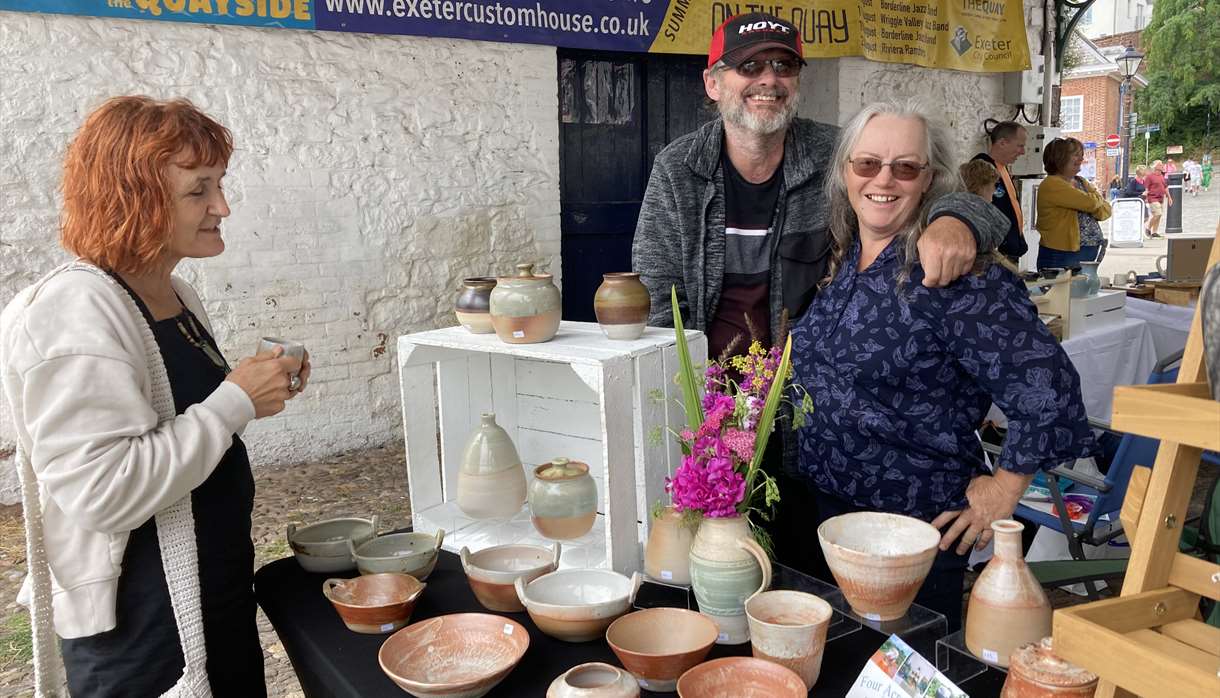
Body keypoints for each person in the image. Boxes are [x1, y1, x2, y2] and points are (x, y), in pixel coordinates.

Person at [630, 12, 1007, 576]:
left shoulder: (836, 156)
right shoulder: (679, 169)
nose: (768, 79)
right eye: (748, 66)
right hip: (712, 409)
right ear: (713, 83)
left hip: (813, 414)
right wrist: (688, 408)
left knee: (807, 568)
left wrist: (959, 221)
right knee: (716, 567)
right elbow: (657, 295)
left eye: (783, 66)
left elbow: (935, 186)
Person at [0, 96, 309, 697]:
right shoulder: (75, 309)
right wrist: (236, 400)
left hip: (212, 592)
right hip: (142, 628)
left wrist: (254, 390)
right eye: (199, 190)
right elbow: (104, 492)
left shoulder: (178, 294)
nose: (223, 206)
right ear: (131, 195)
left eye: (219, 185)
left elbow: (192, 425)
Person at [790, 99, 1096, 631]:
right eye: (867, 164)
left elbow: (1049, 390)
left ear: (929, 180)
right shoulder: (844, 259)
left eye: (905, 167)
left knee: (901, 676)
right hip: (829, 513)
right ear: (845, 174)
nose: (883, 179)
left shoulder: (959, 277)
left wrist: (1003, 489)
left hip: (912, 531)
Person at [1035, 137, 1111, 268]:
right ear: (1060, 158)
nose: (1081, 159)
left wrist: (1093, 200)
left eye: (1081, 155)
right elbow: (1090, 204)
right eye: (1075, 155)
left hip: (1086, 250)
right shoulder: (1052, 184)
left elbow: (1105, 211)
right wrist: (1095, 197)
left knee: (1081, 287)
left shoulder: (1080, 181)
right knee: (1060, 288)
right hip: (1062, 253)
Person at [972, 120, 1029, 260]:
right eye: (1020, 146)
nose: (1023, 152)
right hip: (995, 252)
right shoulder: (983, 167)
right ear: (1002, 143)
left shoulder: (1003, 168)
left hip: (1009, 250)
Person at [1144, 160, 1171, 238]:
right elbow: (1146, 188)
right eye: (1160, 165)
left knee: (1159, 215)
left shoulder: (1161, 176)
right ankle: (1148, 228)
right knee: (1157, 214)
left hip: (1161, 198)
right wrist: (1145, 197)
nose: (1162, 166)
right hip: (1152, 198)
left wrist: (1169, 197)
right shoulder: (1150, 176)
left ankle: (1154, 232)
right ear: (1155, 167)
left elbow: (1165, 187)